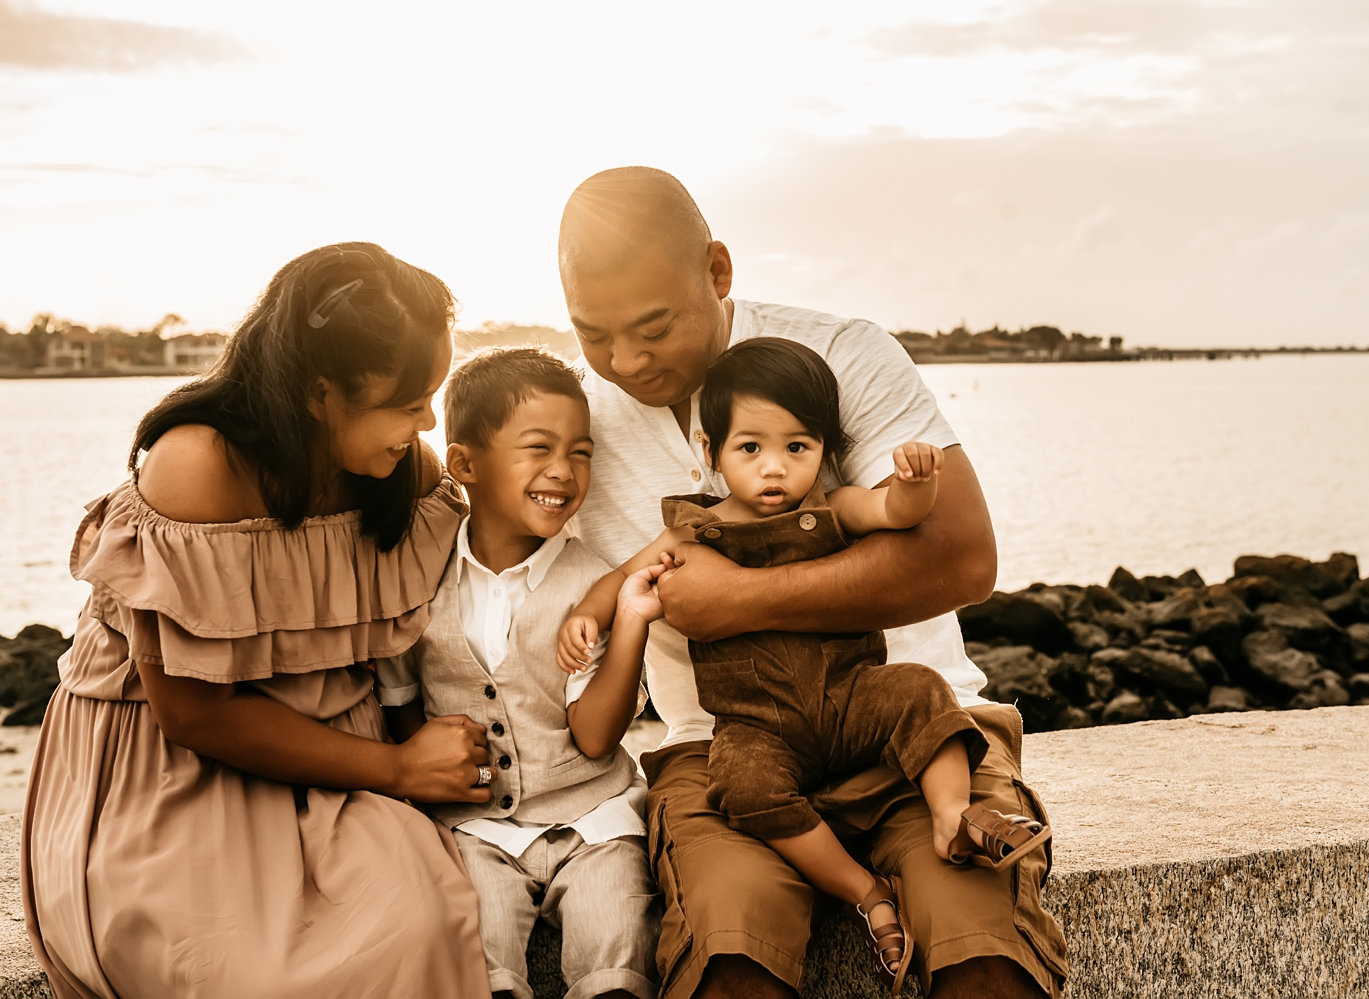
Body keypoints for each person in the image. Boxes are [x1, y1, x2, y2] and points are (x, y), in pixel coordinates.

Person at [558, 167, 1069, 999]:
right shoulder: (577, 418)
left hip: (912, 730)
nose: (626, 359)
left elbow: (964, 557)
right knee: (729, 958)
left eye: (653, 325)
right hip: (727, 750)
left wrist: (737, 600)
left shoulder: (841, 355)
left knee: (986, 961)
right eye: (593, 334)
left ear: (718, 272)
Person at [22, 242, 494, 998]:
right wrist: (400, 768)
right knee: (257, 970)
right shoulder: (198, 467)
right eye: (408, 402)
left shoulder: (401, 468)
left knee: (421, 923)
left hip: (331, 751)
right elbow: (191, 716)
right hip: (171, 773)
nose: (428, 421)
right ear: (320, 393)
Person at [375, 347, 661, 999]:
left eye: (581, 451)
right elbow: (400, 700)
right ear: (465, 465)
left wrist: (629, 625)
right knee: (474, 943)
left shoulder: (593, 582)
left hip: (591, 817)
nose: (563, 471)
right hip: (474, 826)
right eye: (539, 448)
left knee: (617, 925)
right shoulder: (420, 581)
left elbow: (595, 737)